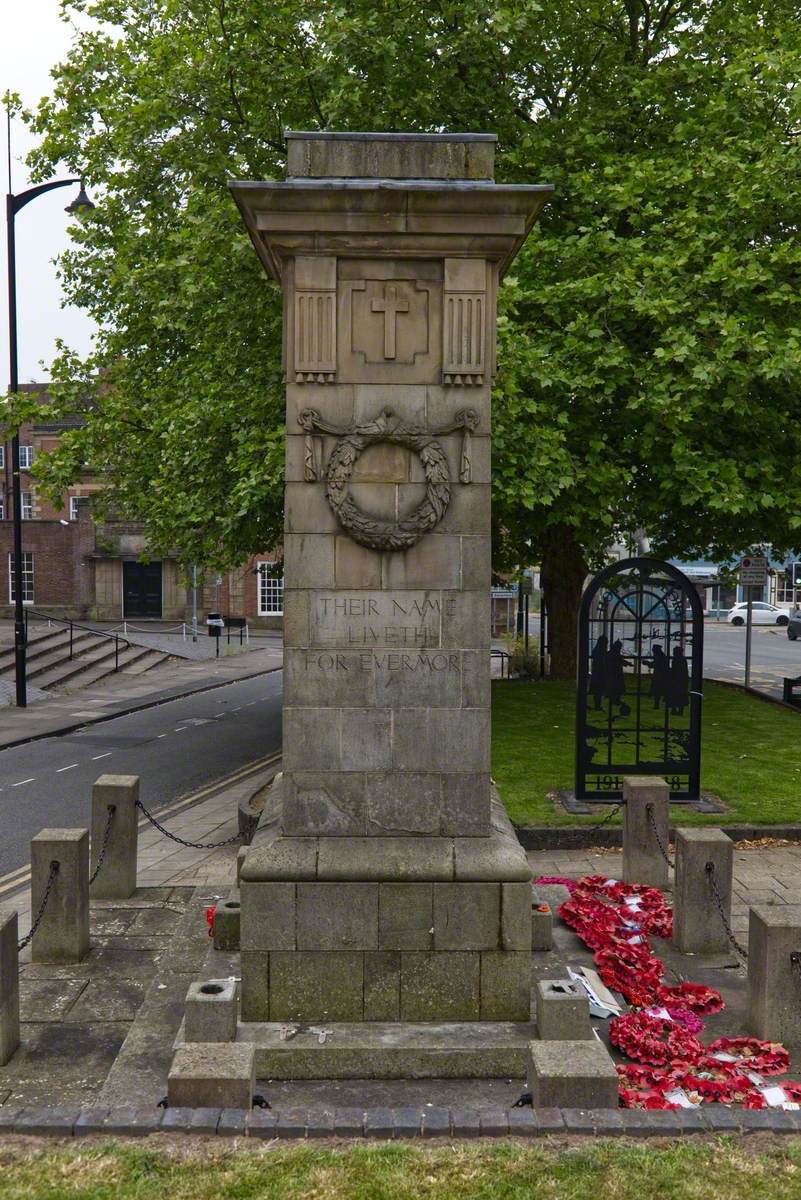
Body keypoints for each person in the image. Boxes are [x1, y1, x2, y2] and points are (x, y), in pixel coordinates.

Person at [668, 645, 690, 715]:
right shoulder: (681, 659)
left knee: (677, 695)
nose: (673, 653)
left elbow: (677, 670)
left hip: (678, 680)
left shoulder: (677, 660)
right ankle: (678, 710)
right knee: (680, 696)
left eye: (674, 652)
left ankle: (677, 710)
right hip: (681, 680)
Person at [648, 644, 670, 710]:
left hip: (661, 676)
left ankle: (657, 705)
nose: (653, 651)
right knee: (659, 691)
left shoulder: (660, 656)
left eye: (653, 650)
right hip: (661, 676)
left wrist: (648, 664)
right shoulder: (661, 656)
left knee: (658, 691)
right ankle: (657, 704)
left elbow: (656, 664)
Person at [589, 635, 608, 709]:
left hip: (596, 673)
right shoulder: (602, 651)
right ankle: (597, 705)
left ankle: (597, 705)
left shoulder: (596, 650)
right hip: (600, 673)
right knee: (598, 691)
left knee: (597, 691)